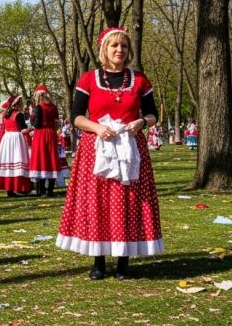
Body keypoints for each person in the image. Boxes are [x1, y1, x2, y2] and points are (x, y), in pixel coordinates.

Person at [56, 27, 162, 280]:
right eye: (114, 46)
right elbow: (77, 117)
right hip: (96, 150)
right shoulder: (88, 80)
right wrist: (97, 127)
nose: (119, 50)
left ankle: (123, 261)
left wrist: (141, 123)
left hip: (130, 149)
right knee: (99, 203)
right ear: (105, 49)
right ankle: (98, 261)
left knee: (128, 201)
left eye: (124, 46)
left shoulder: (140, 80)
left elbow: (153, 115)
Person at [0, 96, 33, 196]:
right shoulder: (19, 115)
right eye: (21, 103)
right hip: (16, 139)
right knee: (17, 160)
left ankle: (9, 190)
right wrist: (32, 128)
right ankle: (17, 187)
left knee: (8, 162)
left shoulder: (5, 114)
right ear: (17, 104)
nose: (22, 105)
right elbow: (23, 130)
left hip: (7, 138)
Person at [29, 85, 61, 197]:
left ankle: (41, 190)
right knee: (51, 159)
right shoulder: (53, 107)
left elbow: (35, 124)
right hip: (51, 134)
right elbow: (57, 122)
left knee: (40, 158)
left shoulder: (38, 107)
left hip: (40, 134)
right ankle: (50, 191)